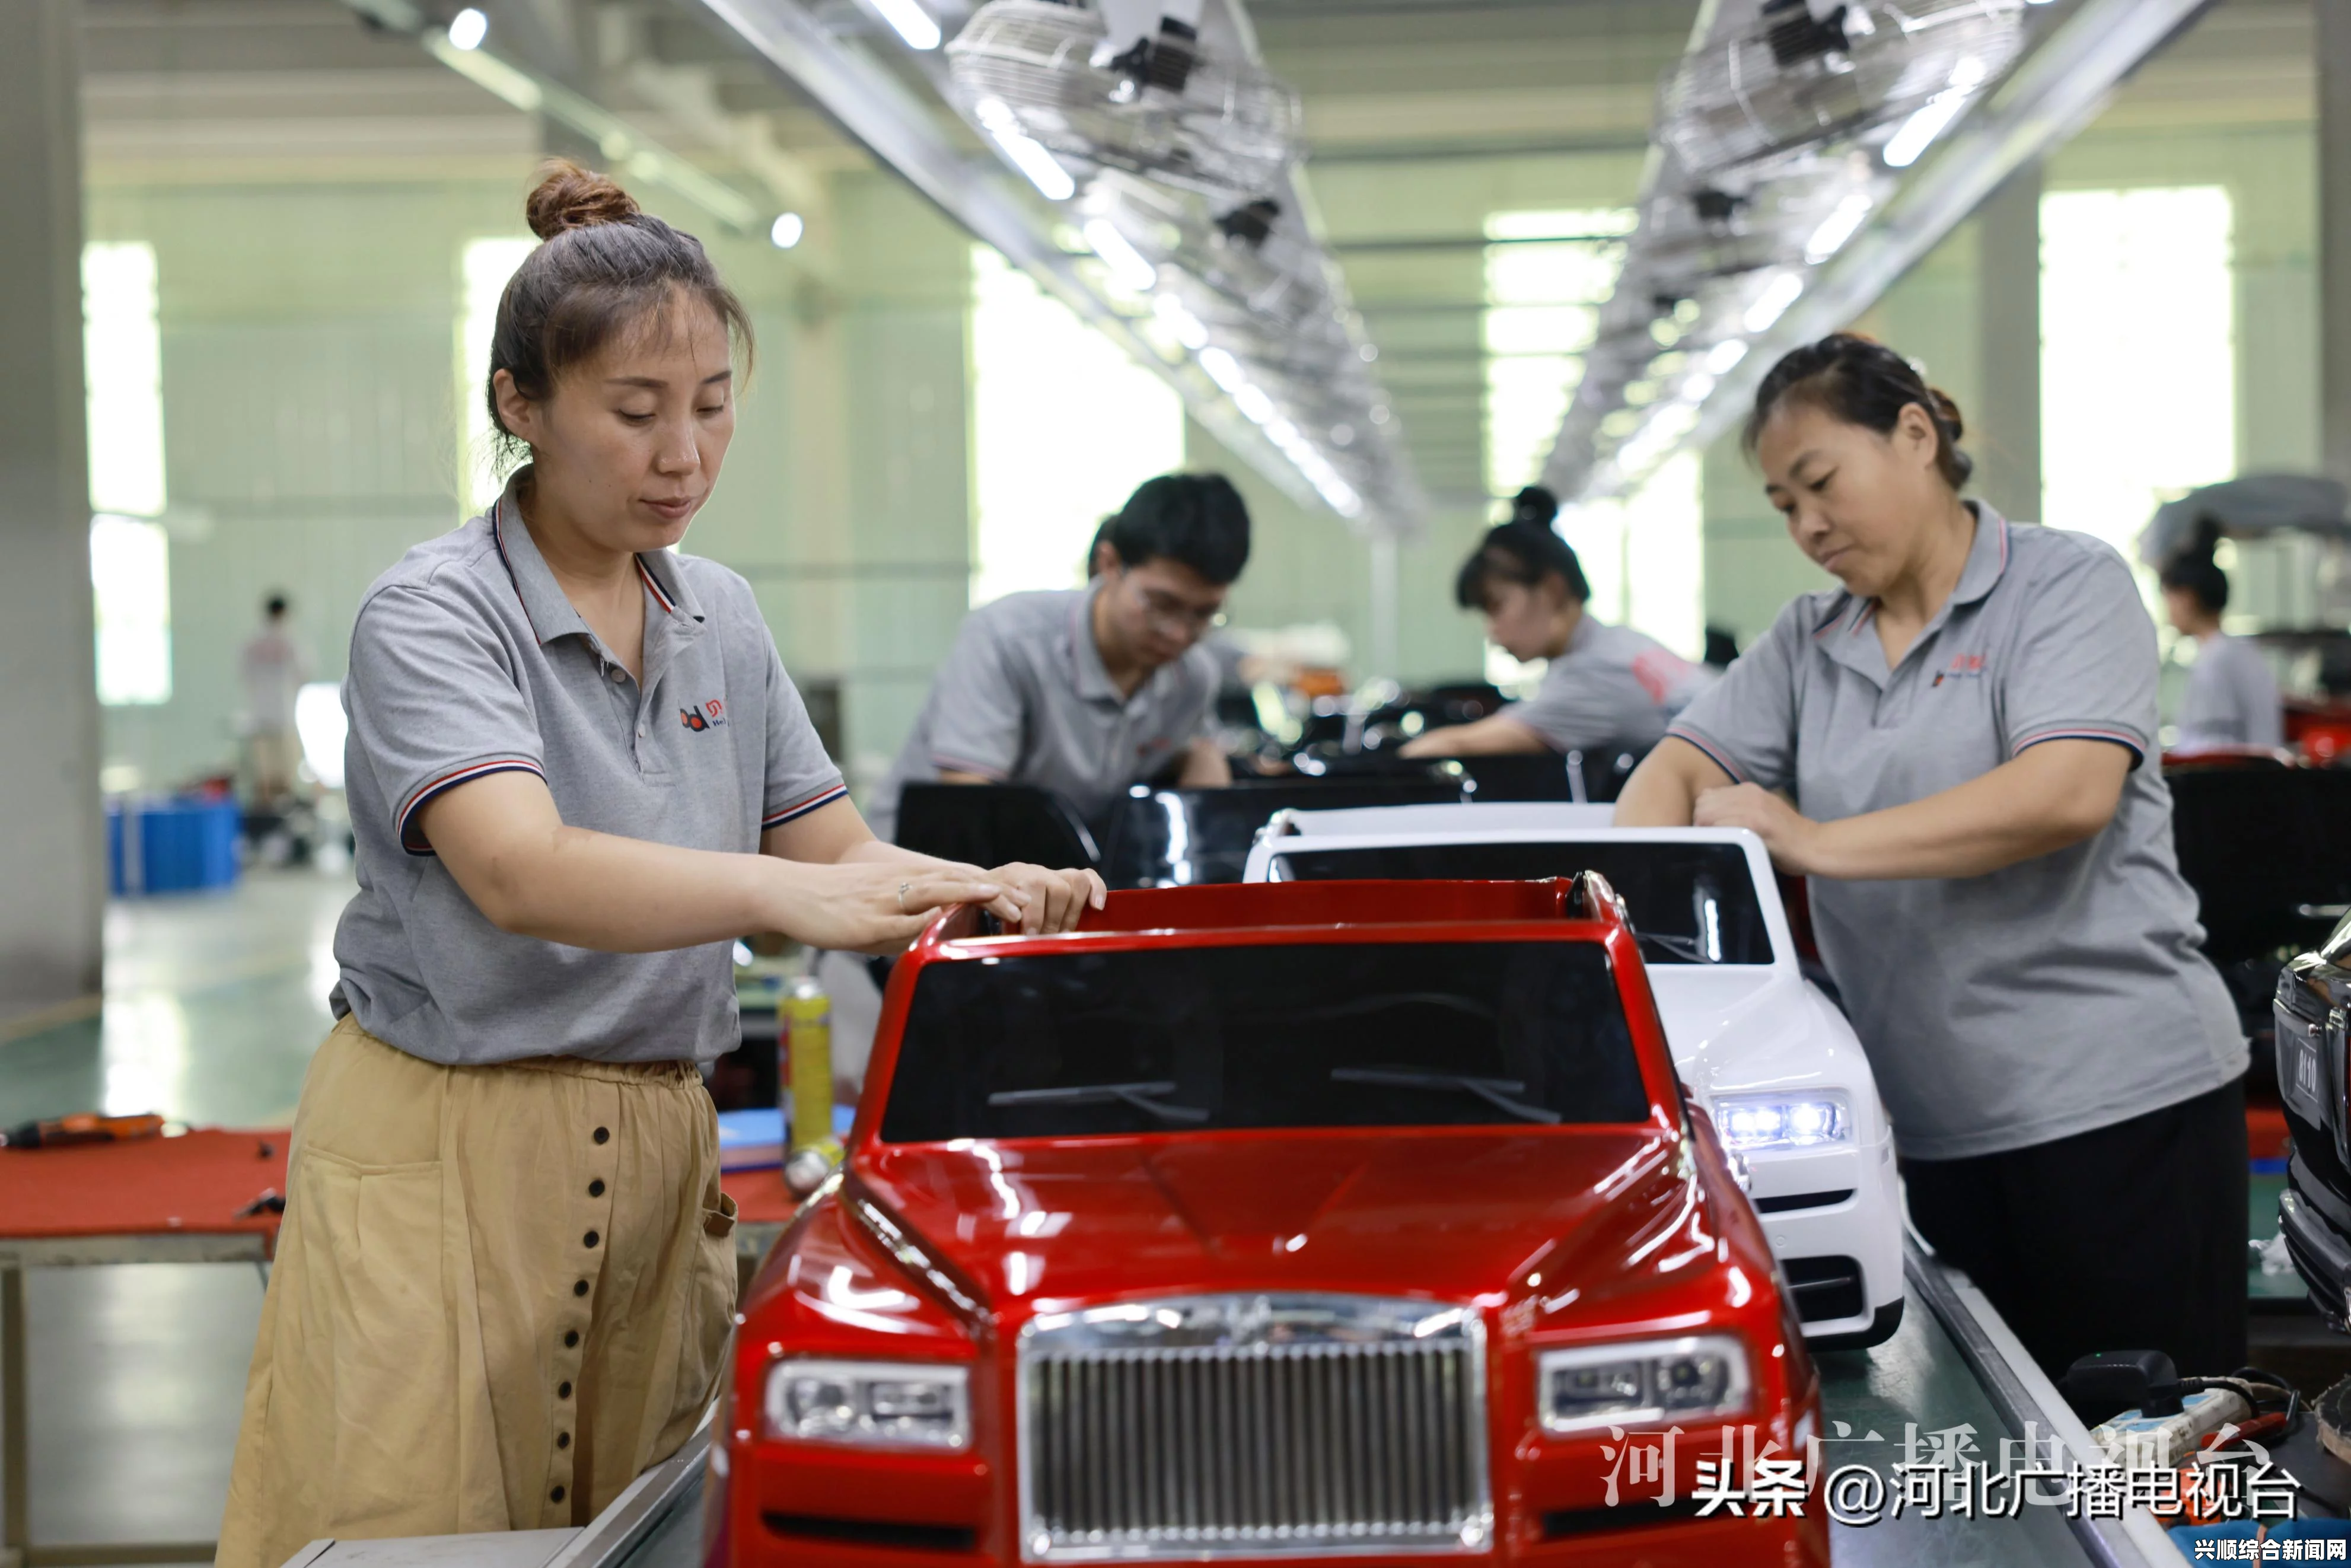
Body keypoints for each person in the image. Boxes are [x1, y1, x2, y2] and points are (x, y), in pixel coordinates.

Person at [215, 163, 1102, 1566]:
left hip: (653, 1146)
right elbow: (521, 869)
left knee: (637, 1524)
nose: (682, 452)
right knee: (414, 1522)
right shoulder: (435, 613)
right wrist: (779, 896)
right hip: (446, 1146)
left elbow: (835, 850)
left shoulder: (719, 615)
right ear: (520, 405)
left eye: (710, 405)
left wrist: (974, 890)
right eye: (634, 413)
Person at [1614, 333, 2248, 1387]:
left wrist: (1810, 841)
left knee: (2149, 1462)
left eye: (1819, 482)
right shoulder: (1805, 640)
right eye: (1781, 504)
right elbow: (1672, 769)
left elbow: (2063, 791)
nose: (1805, 525)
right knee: (2007, 1461)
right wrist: (1629, 924)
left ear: (1913, 435)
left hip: (2119, 1113)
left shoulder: (2061, 584)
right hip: (1932, 1125)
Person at [868, 471, 1249, 840]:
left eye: (1203, 614)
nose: (1179, 633)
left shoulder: (1191, 676)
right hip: (925, 869)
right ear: (1110, 564)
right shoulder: (1007, 640)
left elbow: (1199, 756)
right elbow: (968, 806)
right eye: (1161, 604)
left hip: (1059, 877)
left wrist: (1203, 768)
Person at [1400, 486, 1709, 758]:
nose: (1491, 632)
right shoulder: (1621, 643)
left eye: (1497, 607)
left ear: (1552, 589)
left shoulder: (1593, 674)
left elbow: (1458, 746)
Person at [2161, 520, 2282, 750]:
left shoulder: (2218, 660)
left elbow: (2212, 749)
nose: (2167, 610)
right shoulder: (2235, 652)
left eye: (2168, 598)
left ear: (2187, 598)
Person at [239, 591, 308, 807]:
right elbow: (304, 673)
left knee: (264, 774)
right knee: (284, 772)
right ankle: (281, 813)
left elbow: (244, 675)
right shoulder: (290, 641)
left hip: (260, 716)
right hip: (283, 715)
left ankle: (267, 807)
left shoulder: (252, 642)